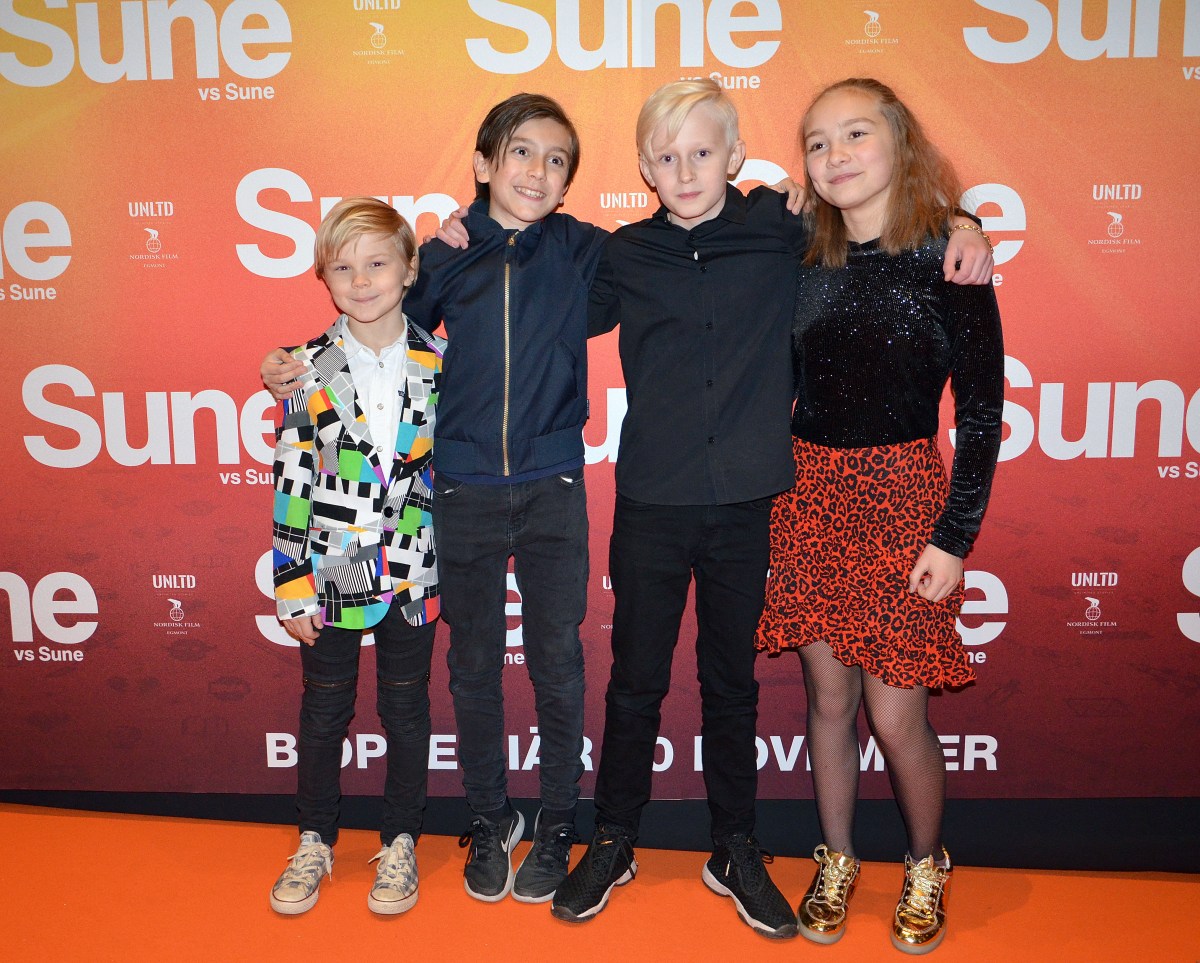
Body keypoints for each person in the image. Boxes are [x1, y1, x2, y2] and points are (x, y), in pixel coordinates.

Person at [547, 79, 993, 940]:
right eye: (667, 156)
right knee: (638, 681)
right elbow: (534, 289)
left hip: (763, 501)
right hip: (664, 499)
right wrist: (458, 238)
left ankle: (738, 848)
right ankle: (614, 838)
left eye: (702, 152)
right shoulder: (625, 253)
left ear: (737, 156)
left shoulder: (781, 228)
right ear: (643, 167)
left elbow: (897, 227)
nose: (686, 170)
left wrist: (965, 222)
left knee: (736, 686)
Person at [263, 94, 606, 905]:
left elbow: (681, 248)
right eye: (520, 152)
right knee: (453, 672)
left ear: (569, 180)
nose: (537, 171)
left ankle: (558, 821)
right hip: (451, 501)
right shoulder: (442, 257)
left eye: (556, 159)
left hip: (550, 487)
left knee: (557, 664)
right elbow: (367, 328)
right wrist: (287, 362)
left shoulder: (587, 249)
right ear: (483, 164)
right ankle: (486, 818)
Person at [755, 78, 1004, 955]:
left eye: (856, 134)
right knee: (829, 700)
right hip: (809, 495)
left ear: (901, 141)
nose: (835, 155)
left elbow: (981, 413)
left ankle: (927, 862)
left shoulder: (950, 257)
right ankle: (837, 859)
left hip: (904, 503)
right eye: (817, 142)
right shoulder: (798, 253)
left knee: (897, 717)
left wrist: (954, 537)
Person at [268, 197, 443, 916]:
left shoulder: (442, 362)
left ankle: (400, 839)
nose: (361, 280)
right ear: (324, 278)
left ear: (409, 270)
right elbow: (292, 480)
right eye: (343, 268)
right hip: (330, 570)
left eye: (376, 264)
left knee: (406, 711)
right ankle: (314, 838)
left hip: (412, 571)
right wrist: (291, 582)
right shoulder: (304, 367)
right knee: (324, 711)